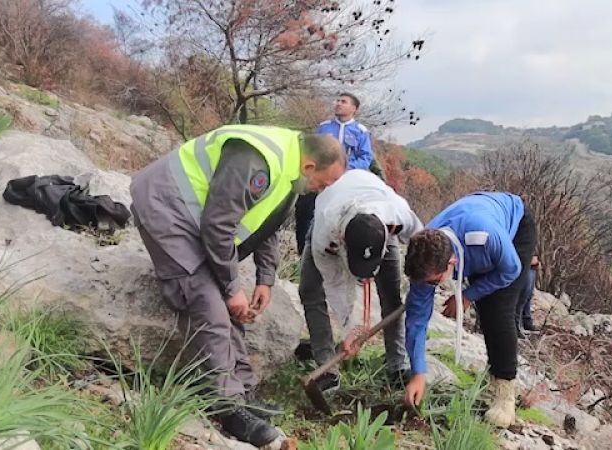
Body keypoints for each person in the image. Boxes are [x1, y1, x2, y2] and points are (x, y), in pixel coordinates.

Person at [130, 125, 345, 447]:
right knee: (207, 302)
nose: (318, 190)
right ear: (310, 167)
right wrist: (232, 288)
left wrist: (265, 279)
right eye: (322, 183)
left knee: (233, 311)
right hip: (167, 208)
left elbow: (268, 223)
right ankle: (226, 407)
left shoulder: (289, 169)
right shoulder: (257, 159)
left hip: (197, 223)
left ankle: (243, 393)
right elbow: (218, 224)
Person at [401, 192, 537, 429]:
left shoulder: (485, 237)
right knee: (485, 310)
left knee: (498, 308)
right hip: (472, 241)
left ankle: (504, 394)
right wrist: (418, 373)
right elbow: (416, 320)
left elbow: (510, 270)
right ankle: (491, 375)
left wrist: (466, 295)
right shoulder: (424, 257)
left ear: (451, 265)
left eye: (434, 282)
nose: (430, 287)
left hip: (514, 230)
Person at [298, 169, 422, 393]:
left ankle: (397, 366)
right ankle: (327, 368)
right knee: (310, 288)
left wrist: (427, 275)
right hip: (332, 214)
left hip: (376, 215)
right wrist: (350, 331)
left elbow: (423, 241)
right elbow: (334, 285)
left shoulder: (399, 214)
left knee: (391, 294)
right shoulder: (326, 234)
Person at [295, 92, 376, 254]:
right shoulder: (324, 127)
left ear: (354, 108)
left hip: (345, 184)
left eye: (343, 102)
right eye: (337, 100)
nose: (338, 104)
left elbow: (365, 157)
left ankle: (336, 253)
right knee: (306, 213)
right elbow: (312, 150)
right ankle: (303, 253)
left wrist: (343, 170)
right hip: (319, 181)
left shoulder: (360, 132)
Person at [515, 254, 540, 338]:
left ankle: (526, 322)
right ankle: (517, 326)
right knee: (522, 296)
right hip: (525, 264)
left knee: (528, 295)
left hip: (532, 265)